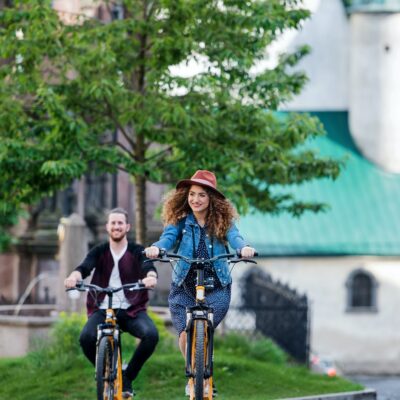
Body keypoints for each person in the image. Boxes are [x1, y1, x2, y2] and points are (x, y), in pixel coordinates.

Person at [145, 170, 255, 396]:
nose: (196, 199)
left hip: (216, 284)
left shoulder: (223, 221)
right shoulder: (180, 221)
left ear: (211, 198)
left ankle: (205, 369)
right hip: (185, 284)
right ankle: (194, 374)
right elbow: (167, 237)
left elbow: (235, 237)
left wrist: (243, 248)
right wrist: (158, 248)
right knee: (186, 333)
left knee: (204, 328)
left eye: (202, 195)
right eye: (192, 194)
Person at [64, 207, 159, 398]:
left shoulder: (136, 250)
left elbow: (148, 266)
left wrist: (150, 277)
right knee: (85, 338)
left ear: (127, 226)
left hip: (131, 308)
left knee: (151, 335)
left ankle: (128, 377)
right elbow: (84, 268)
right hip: (102, 308)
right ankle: (104, 371)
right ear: (107, 227)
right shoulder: (99, 250)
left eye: (120, 223)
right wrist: (73, 277)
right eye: (113, 223)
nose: (116, 226)